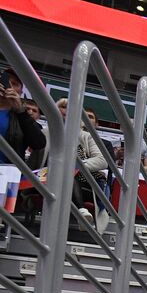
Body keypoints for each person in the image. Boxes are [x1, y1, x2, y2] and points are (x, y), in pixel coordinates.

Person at [57, 98, 110, 231]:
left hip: (83, 180)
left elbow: (102, 161)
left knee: (68, 174)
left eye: (69, 108)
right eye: (62, 107)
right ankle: (81, 213)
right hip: (50, 177)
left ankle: (81, 211)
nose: (66, 111)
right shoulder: (47, 133)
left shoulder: (86, 136)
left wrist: (75, 166)